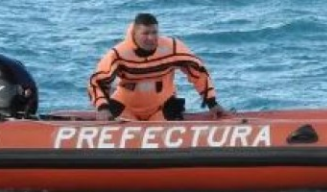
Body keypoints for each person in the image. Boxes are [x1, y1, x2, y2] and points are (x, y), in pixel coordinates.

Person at [88, 13, 225, 121]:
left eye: (154, 32)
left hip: (162, 106)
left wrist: (211, 103)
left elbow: (198, 71)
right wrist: (102, 108)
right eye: (146, 33)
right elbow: (97, 81)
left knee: (173, 109)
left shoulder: (172, 47)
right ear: (134, 34)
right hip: (126, 108)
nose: (151, 38)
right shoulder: (118, 54)